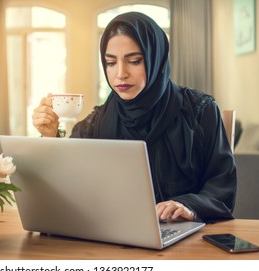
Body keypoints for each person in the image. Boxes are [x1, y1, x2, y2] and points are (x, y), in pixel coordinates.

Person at [32, 12, 236, 223]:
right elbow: (68, 180)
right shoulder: (99, 120)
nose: (120, 73)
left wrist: (188, 206)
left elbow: (222, 184)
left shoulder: (200, 111)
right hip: (113, 236)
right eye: (111, 63)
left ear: (156, 59)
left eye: (135, 61)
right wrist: (51, 136)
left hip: (183, 237)